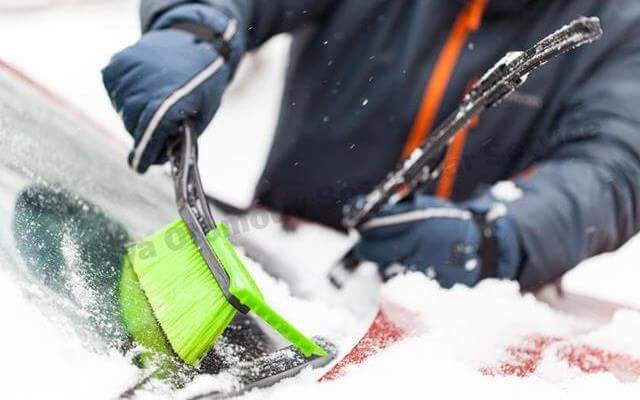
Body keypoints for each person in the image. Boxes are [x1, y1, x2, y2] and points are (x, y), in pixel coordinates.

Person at [102, 0, 640, 291]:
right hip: (276, 269)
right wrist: (198, 27)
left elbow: (614, 165)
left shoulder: (619, 28)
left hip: (461, 333)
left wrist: (501, 236)